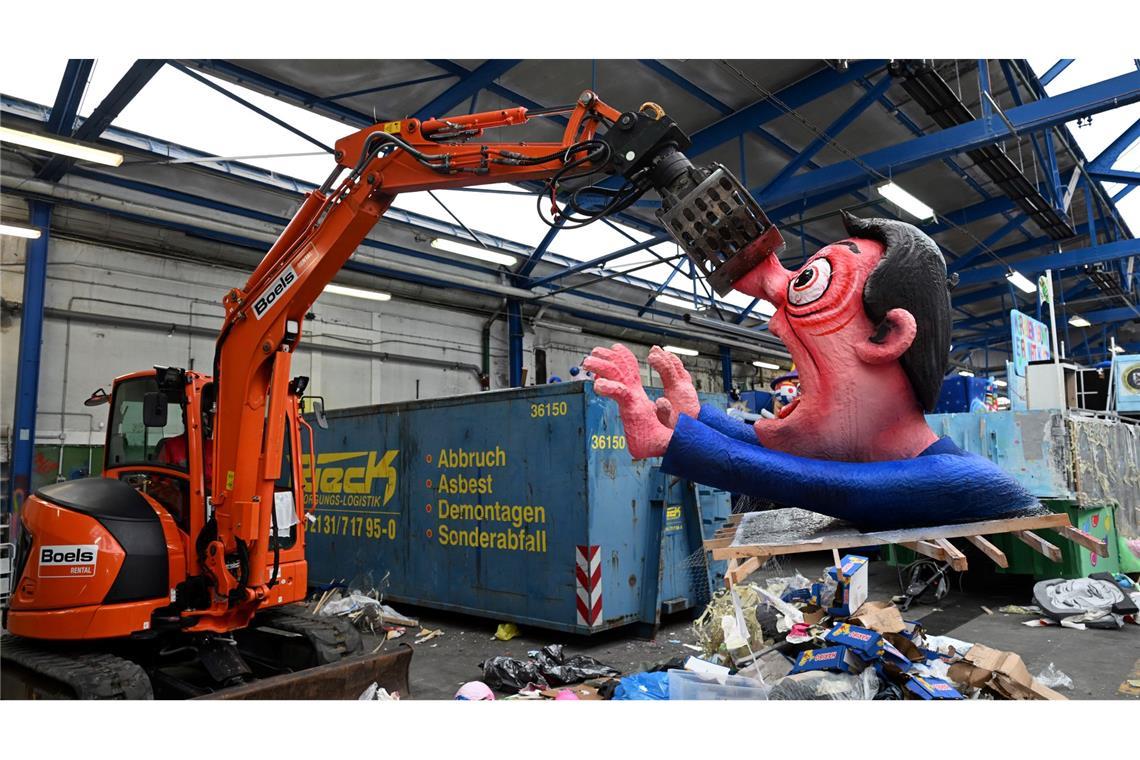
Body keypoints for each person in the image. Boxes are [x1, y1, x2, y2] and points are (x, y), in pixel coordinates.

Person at [584, 213, 1036, 530]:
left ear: (887, 336)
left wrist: (676, 441)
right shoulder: (882, 460)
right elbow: (798, 459)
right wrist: (699, 415)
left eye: (812, 283)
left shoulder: (968, 480)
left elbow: (837, 488)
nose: (775, 320)